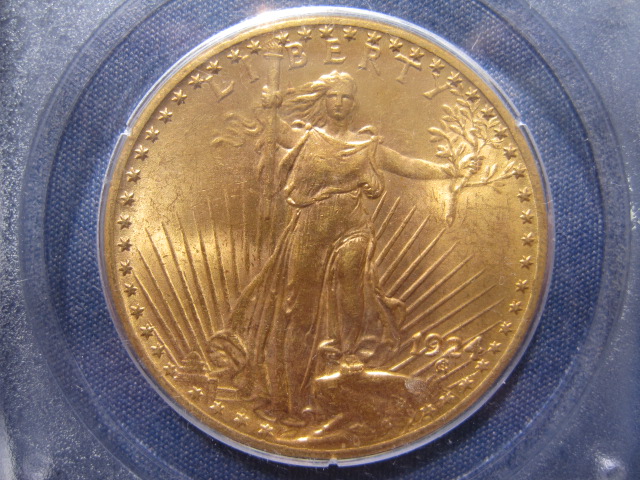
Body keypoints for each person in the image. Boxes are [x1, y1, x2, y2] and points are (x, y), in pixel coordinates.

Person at [229, 71, 475, 426]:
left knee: (351, 281)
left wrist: (451, 169)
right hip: (311, 227)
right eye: (333, 96)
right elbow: (273, 127)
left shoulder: (367, 147)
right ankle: (292, 396)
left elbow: (407, 165)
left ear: (353, 103)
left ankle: (350, 352)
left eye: (346, 97)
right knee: (300, 310)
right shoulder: (307, 137)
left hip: (352, 225)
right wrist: (269, 106)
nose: (339, 103)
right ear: (324, 100)